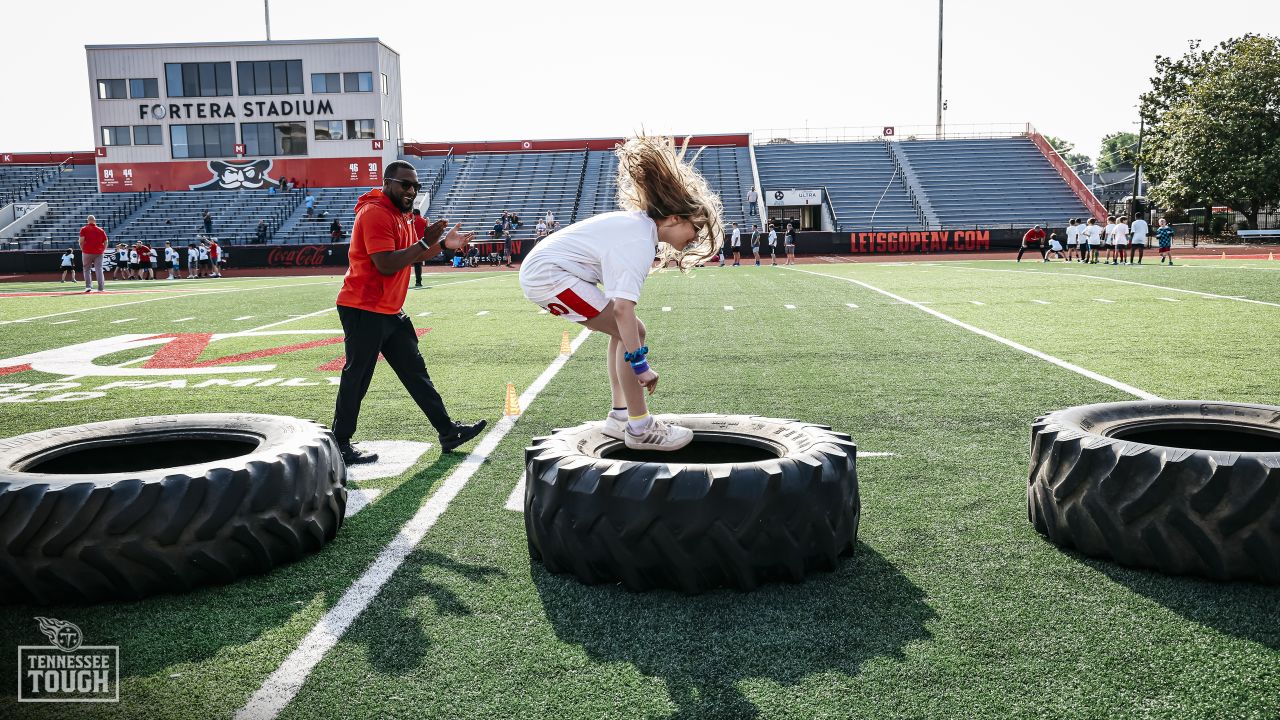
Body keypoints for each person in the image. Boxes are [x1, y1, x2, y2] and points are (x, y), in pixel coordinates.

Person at [518, 135, 721, 451]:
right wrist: (641, 367)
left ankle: (620, 417)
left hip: (550, 272)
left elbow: (620, 312)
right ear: (674, 218)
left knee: (628, 333)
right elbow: (623, 310)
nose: (695, 239)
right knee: (633, 330)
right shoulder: (639, 240)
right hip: (548, 277)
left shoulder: (641, 231)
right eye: (694, 230)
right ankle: (639, 427)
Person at [332, 160, 486, 464]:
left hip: (389, 308)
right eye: (405, 184)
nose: (411, 190)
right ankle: (340, 442)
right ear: (388, 183)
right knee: (358, 377)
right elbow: (386, 263)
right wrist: (426, 242)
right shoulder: (375, 212)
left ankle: (447, 432)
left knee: (416, 372)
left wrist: (445, 245)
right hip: (363, 306)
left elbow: (422, 250)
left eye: (415, 186)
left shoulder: (405, 215)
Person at [77, 216, 106, 292]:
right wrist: (103, 249)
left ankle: (88, 286)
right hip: (99, 252)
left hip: (87, 252)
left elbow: (81, 241)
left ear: (88, 221)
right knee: (99, 269)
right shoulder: (101, 230)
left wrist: (82, 249)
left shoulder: (84, 229)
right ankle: (101, 288)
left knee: (86, 269)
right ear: (95, 221)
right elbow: (106, 241)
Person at [411, 208, 427, 288]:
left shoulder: (412, 221)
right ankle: (418, 281)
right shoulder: (423, 220)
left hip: (410, 243)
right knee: (418, 264)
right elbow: (427, 230)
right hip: (420, 244)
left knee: (404, 262)